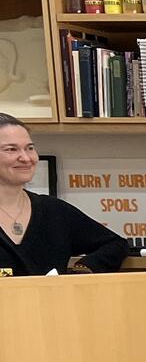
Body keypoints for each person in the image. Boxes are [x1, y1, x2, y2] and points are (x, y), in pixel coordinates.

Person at [0, 114, 126, 276]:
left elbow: (115, 244)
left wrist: (84, 269)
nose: (26, 158)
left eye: (30, 148)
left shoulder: (54, 211)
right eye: (11, 149)